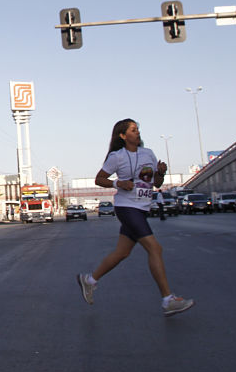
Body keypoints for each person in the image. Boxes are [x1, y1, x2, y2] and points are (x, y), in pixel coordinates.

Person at [77, 118, 194, 316]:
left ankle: (89, 280)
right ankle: (168, 300)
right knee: (155, 248)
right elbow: (100, 179)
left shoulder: (148, 154)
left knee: (122, 253)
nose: (137, 132)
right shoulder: (117, 156)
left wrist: (162, 173)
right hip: (126, 207)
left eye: (137, 129)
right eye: (132, 130)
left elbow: (155, 183)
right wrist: (118, 184)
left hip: (142, 208)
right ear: (123, 136)